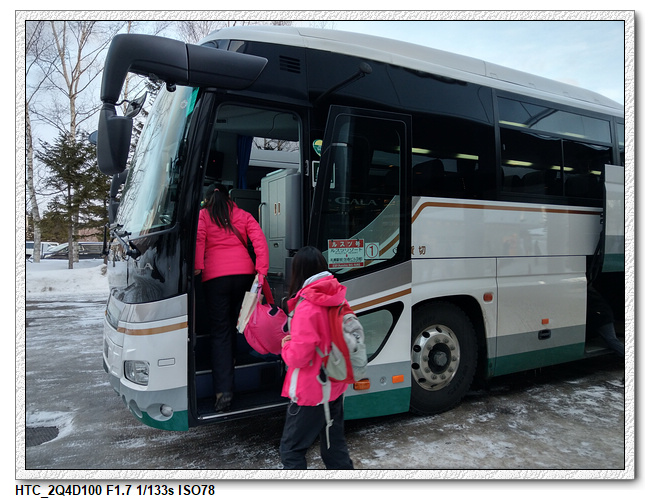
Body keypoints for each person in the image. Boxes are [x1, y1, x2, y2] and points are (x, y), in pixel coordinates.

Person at [194, 184, 269, 412]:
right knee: (238, 322)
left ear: (207, 199)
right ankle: (236, 358)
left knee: (221, 331)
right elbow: (259, 241)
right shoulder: (242, 214)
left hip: (215, 279)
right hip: (244, 276)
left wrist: (197, 267)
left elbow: (199, 240)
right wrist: (261, 271)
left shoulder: (203, 215)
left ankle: (223, 392)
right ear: (229, 197)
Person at [279, 246, 354, 470]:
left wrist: (286, 345)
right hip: (335, 384)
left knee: (291, 451)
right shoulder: (338, 297)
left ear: (298, 271)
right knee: (334, 447)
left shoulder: (307, 305)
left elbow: (299, 357)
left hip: (311, 390)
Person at [587, 285, 624, 358]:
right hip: (602, 316)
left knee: (611, 340)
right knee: (611, 339)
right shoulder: (589, 291)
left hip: (602, 318)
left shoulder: (587, 293)